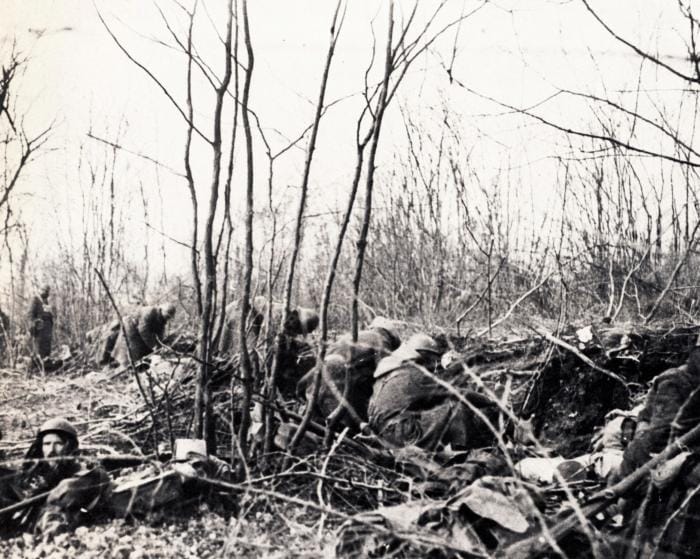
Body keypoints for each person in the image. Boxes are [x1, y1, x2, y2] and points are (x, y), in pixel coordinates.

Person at [367, 332, 500, 453]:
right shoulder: (415, 374)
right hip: (399, 434)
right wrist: (489, 401)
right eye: (431, 359)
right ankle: (465, 451)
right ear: (422, 355)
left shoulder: (392, 370)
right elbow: (456, 393)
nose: (433, 364)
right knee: (453, 406)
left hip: (381, 432)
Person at [1, 417, 111, 539]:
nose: (51, 451)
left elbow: (57, 513)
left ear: (70, 446)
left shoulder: (82, 475)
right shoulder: (37, 474)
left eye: (58, 444)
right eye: (47, 444)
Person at [297, 316, 401, 431]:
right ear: (390, 336)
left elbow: (324, 363)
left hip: (316, 380)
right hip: (339, 381)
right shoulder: (381, 339)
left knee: (314, 429)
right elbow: (385, 375)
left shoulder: (349, 337)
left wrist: (302, 388)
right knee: (349, 431)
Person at [110, 303, 177, 367]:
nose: (168, 318)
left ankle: (139, 366)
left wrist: (160, 345)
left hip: (138, 329)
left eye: (169, 317)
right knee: (132, 350)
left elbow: (160, 333)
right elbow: (143, 330)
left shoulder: (162, 319)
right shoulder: (150, 312)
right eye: (167, 315)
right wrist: (153, 346)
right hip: (130, 327)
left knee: (145, 351)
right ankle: (124, 367)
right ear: (162, 310)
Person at [27, 285, 53, 361]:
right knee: (39, 346)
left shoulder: (46, 301)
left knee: (47, 345)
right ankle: (37, 363)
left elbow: (49, 314)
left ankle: (46, 361)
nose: (46, 293)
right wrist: (33, 324)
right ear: (40, 290)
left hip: (48, 328)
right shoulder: (35, 299)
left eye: (48, 291)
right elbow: (30, 314)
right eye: (45, 290)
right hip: (39, 327)